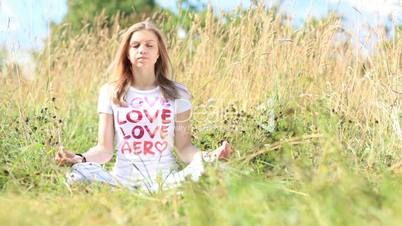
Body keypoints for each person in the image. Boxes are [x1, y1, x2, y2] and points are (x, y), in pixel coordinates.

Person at [54, 20, 231, 192]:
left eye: (149, 45)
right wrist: (79, 158)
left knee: (212, 170)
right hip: (121, 182)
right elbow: (105, 149)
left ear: (158, 53)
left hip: (166, 181)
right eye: (135, 45)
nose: (142, 50)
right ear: (127, 53)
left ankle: (167, 192)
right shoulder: (110, 92)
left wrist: (209, 158)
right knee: (78, 173)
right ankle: (125, 194)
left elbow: (184, 148)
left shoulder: (178, 93)